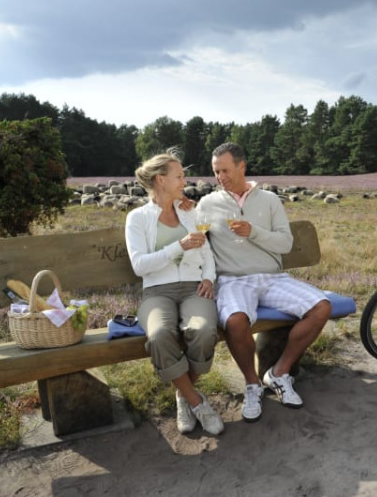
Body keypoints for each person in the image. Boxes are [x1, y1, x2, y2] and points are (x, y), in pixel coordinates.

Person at [197, 142, 331, 423]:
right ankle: (252, 384)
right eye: (215, 171)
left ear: (241, 166)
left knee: (321, 307)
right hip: (233, 280)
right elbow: (199, 244)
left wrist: (253, 232)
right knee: (235, 320)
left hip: (272, 277)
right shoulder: (207, 204)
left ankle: (279, 373)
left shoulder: (269, 200)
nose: (220, 177)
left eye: (225, 170)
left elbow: (285, 242)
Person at [125, 148, 223, 436]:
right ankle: (195, 402)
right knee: (159, 335)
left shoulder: (189, 212)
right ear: (160, 180)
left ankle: (183, 394)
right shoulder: (138, 218)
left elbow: (207, 251)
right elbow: (139, 265)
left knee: (204, 331)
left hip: (194, 288)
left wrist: (208, 278)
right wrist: (178, 247)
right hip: (157, 292)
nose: (184, 180)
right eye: (179, 176)